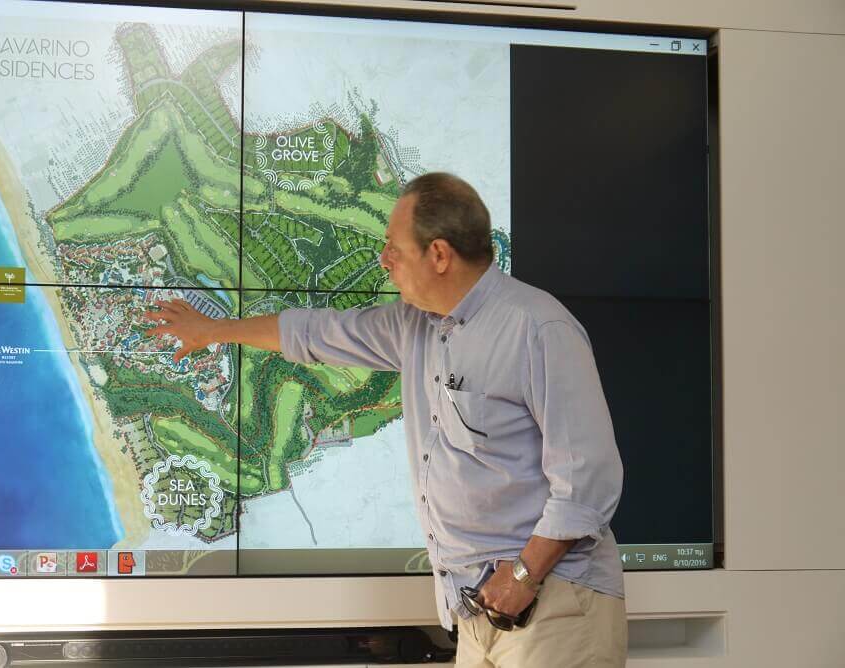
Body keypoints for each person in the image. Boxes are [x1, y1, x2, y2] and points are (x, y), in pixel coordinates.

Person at [144, 172, 627, 667]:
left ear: (439, 255)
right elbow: (314, 333)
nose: (384, 259)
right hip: (482, 611)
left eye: (395, 248)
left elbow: (587, 481)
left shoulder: (538, 327)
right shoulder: (414, 327)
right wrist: (214, 330)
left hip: (550, 604)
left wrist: (522, 577)